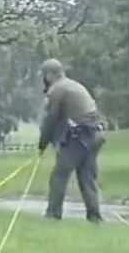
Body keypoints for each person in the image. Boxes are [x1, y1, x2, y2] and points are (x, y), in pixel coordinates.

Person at [37, 58, 105, 223]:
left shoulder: (57, 89)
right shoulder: (74, 85)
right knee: (87, 176)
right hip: (95, 135)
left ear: (50, 74)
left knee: (59, 176)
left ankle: (53, 214)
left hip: (78, 138)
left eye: (45, 75)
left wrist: (42, 144)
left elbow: (51, 119)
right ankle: (94, 216)